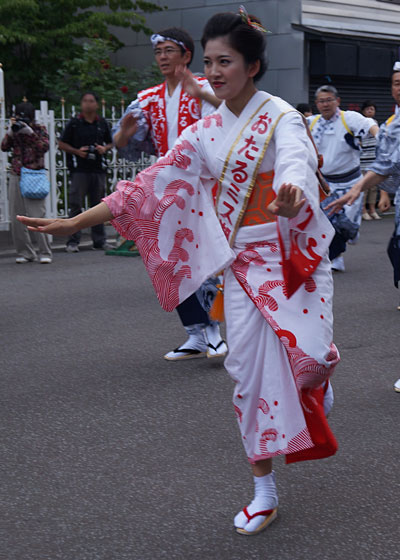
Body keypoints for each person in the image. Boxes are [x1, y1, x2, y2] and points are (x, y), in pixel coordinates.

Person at [18, 9, 340, 536]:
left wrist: (292, 195)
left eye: (225, 61)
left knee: (309, 360)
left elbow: (295, 166)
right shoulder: (206, 131)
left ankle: (320, 372)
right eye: (209, 62)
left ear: (253, 65)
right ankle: (263, 489)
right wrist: (76, 220)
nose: (213, 72)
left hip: (291, 262)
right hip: (242, 267)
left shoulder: (281, 116)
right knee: (246, 376)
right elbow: (147, 183)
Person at [113, 27, 227, 361]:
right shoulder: (147, 98)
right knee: (169, 258)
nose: (162, 58)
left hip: (206, 184)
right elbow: (123, 144)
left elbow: (231, 116)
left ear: (186, 55)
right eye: (158, 52)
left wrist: (201, 93)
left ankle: (214, 331)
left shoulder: (207, 88)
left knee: (204, 257)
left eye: (168, 51)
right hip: (167, 185)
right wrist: (123, 133)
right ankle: (195, 334)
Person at [326, 63, 400, 393]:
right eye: (396, 82)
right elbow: (386, 166)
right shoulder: (394, 124)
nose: (399, 87)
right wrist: (362, 190)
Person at [307, 85, 378, 272]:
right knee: (327, 225)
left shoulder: (349, 119)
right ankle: (334, 257)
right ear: (316, 104)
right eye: (321, 101)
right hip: (324, 184)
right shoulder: (312, 123)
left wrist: (380, 136)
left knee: (346, 226)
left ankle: (349, 236)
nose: (325, 104)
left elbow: (369, 124)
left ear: (337, 101)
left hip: (350, 184)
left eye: (329, 100)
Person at [58, 92, 113, 252]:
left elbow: (111, 142)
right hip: (79, 170)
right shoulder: (75, 123)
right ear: (81, 104)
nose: (88, 104)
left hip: (98, 169)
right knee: (76, 204)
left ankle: (99, 240)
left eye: (91, 101)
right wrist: (76, 151)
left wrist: (104, 148)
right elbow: (61, 143)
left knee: (99, 206)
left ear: (96, 104)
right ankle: (73, 241)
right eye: (85, 101)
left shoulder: (102, 123)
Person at [1, 101, 52, 264]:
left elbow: (44, 147)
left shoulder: (39, 129)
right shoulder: (15, 129)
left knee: (37, 215)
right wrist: (10, 132)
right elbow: (3, 147)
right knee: (17, 216)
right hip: (17, 173)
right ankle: (25, 252)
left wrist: (30, 133)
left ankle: (45, 251)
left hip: (34, 174)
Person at [359, 100, 380, 221]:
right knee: (364, 188)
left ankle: (372, 210)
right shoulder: (360, 123)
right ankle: (363, 210)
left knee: (373, 188)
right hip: (363, 161)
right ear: (363, 111)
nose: (370, 111)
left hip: (374, 160)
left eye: (372, 109)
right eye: (368, 109)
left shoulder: (376, 123)